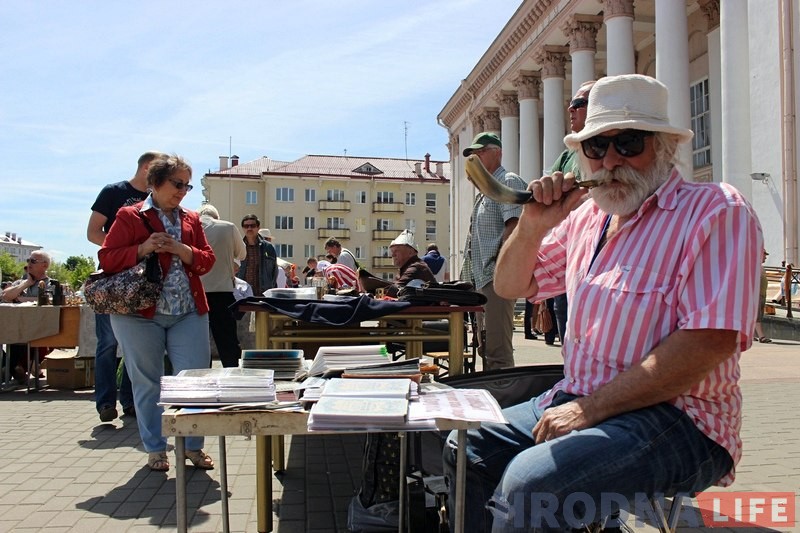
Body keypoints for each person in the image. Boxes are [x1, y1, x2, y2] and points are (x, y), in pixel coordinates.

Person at [443, 74, 763, 531]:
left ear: (664, 146)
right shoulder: (588, 217)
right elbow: (512, 285)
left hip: (680, 416)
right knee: (466, 444)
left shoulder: (716, 210)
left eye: (629, 142)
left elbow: (708, 343)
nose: (611, 160)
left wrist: (587, 411)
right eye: (596, 147)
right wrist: (533, 224)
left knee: (533, 486)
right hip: (579, 395)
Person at [98, 154, 217, 472]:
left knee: (194, 381)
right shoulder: (129, 216)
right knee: (147, 381)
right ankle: (155, 449)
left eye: (187, 185)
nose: (183, 191)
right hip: (138, 313)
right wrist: (143, 248)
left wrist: (183, 250)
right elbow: (107, 259)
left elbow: (207, 261)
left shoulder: (191, 219)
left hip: (188, 312)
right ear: (156, 182)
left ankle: (193, 446)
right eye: (177, 183)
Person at [87, 151, 164, 422]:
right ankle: (106, 402)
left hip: (145, 283)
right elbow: (93, 232)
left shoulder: (157, 200)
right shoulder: (113, 192)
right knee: (107, 343)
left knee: (137, 345)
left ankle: (131, 402)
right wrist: (125, 251)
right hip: (114, 280)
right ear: (146, 168)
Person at [462, 131, 527, 369]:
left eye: (480, 152)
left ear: (497, 152)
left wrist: (504, 269)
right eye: (472, 155)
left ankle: (503, 400)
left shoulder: (507, 181)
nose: (475, 158)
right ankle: (493, 395)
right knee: (486, 346)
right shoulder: (487, 190)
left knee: (497, 349)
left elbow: (515, 227)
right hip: (483, 278)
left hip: (496, 278)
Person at [546, 80, 596, 345]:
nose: (570, 109)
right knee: (564, 312)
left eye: (578, 104)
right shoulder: (569, 155)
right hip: (568, 247)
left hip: (596, 244)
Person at [198, 204, 247, 367]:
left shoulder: (190, 227)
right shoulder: (228, 227)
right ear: (216, 217)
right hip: (222, 291)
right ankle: (232, 375)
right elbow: (242, 254)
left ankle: (202, 375)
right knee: (227, 341)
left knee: (198, 341)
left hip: (196, 293)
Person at [1, 250, 53, 382]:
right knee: (14, 336)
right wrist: (26, 284)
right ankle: (14, 369)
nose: (29, 264)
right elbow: (6, 296)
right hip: (15, 326)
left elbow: (49, 300)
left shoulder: (50, 284)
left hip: (39, 327)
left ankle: (15, 369)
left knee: (31, 336)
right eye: (28, 260)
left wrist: (19, 298)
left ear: (45, 266)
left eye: (33, 261)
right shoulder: (21, 281)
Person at [385, 229, 435, 297]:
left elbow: (394, 291)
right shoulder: (406, 267)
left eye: (397, 250)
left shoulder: (416, 267)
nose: (393, 255)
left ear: (411, 252)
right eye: (392, 251)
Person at [238, 215, 278, 296]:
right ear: (242, 228)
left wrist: (270, 289)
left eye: (252, 226)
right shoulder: (239, 247)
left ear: (258, 227)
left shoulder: (268, 247)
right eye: (246, 226)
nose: (249, 228)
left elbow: (274, 272)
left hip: (263, 295)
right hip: (243, 295)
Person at [755, 248, 771, 343]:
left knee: (758, 316)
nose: (765, 257)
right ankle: (762, 336)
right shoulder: (754, 266)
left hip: (761, 294)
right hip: (756, 295)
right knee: (757, 317)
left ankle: (751, 335)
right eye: (764, 255)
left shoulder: (760, 266)